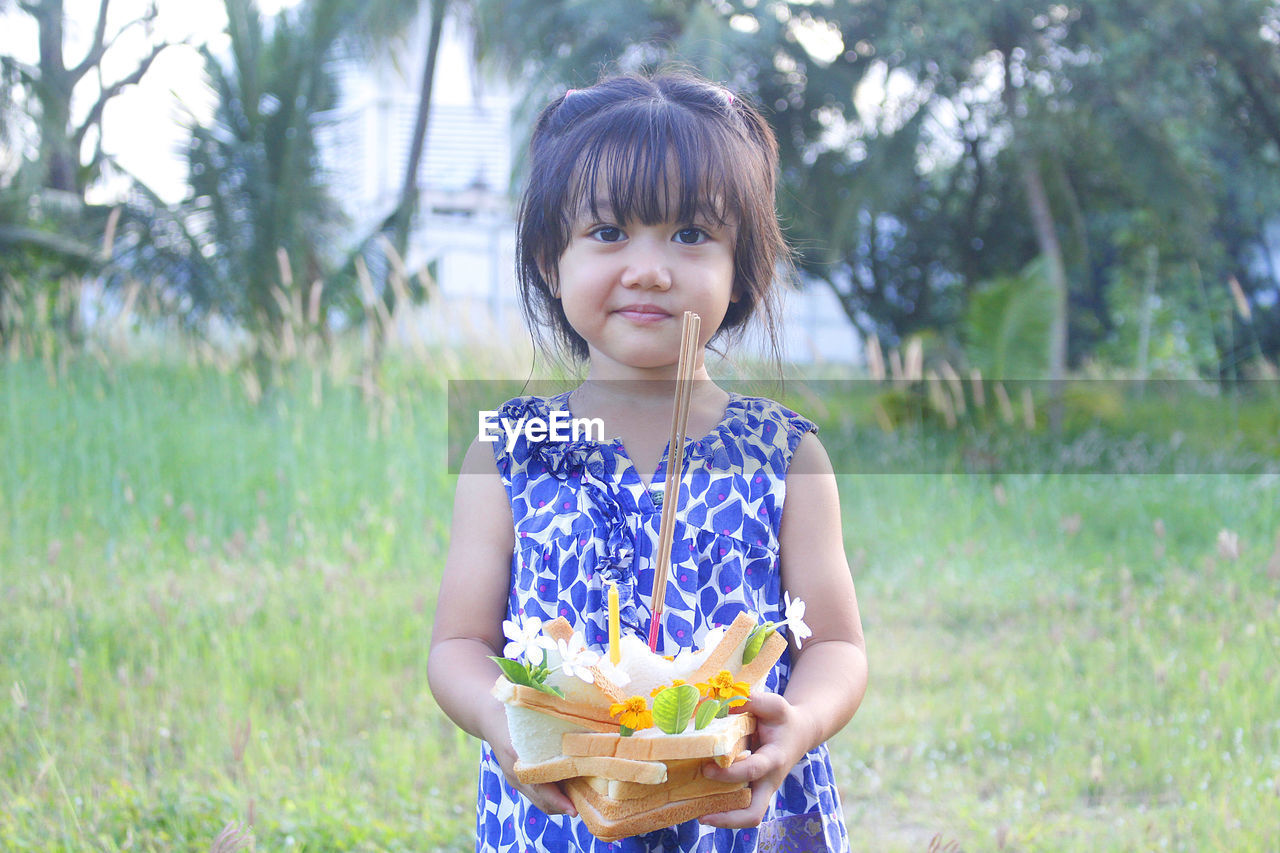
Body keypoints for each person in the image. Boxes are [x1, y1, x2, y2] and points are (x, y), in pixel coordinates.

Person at [428, 69, 867, 852]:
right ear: (548, 260)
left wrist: (796, 726)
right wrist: (505, 721)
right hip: (561, 807)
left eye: (691, 234)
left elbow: (835, 644)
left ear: (743, 269)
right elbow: (458, 644)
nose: (650, 268)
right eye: (608, 233)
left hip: (736, 807)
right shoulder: (509, 452)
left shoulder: (786, 454)